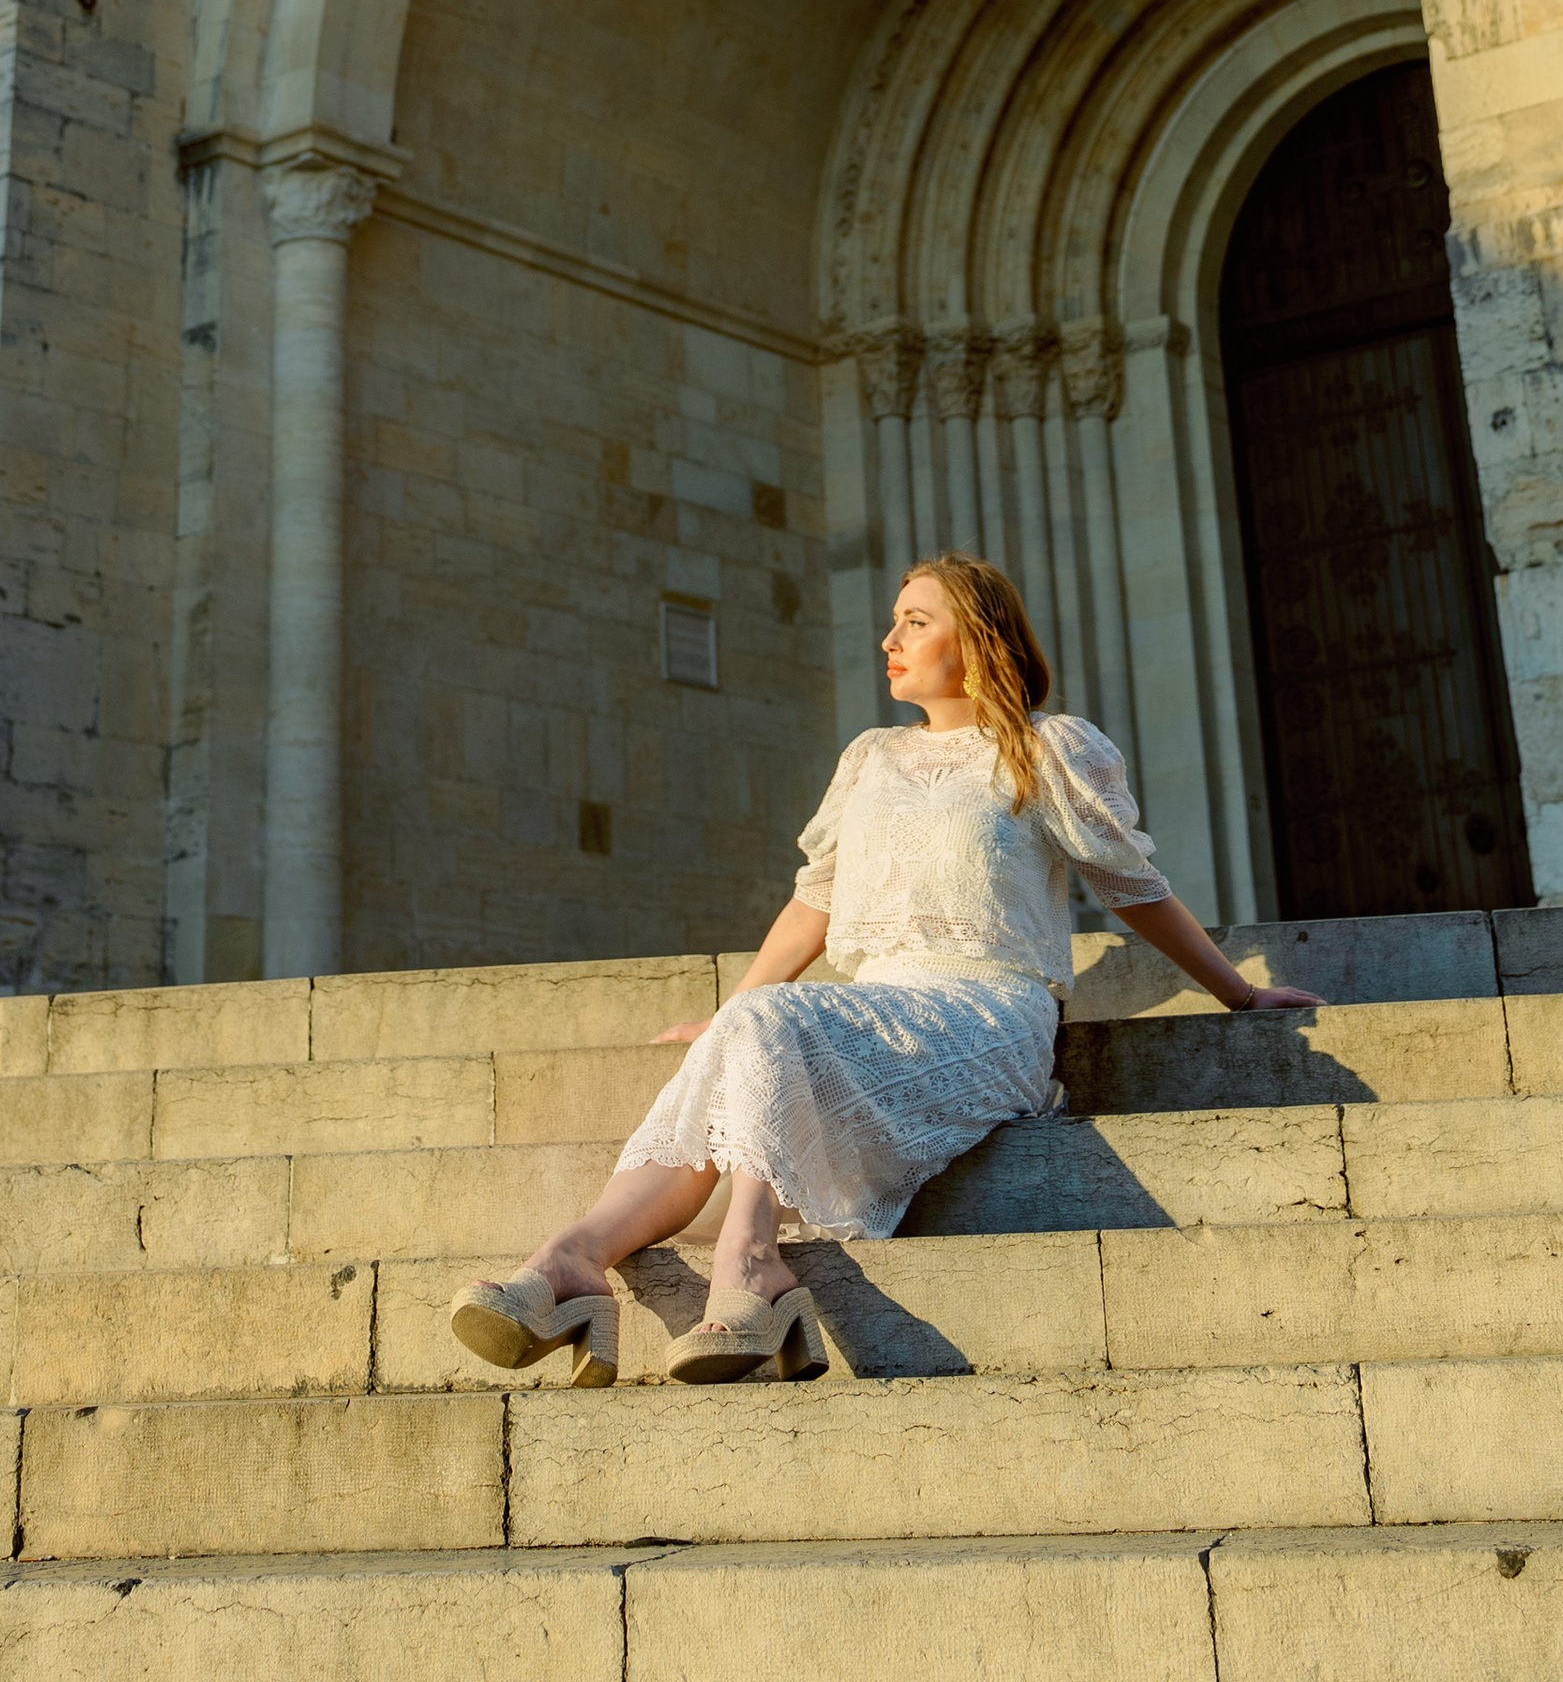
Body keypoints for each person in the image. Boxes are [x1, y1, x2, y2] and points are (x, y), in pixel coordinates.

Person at [448, 549, 1321, 1387]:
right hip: (874, 1007)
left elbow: (1133, 888)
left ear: (979, 639)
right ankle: (574, 1259)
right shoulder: (869, 757)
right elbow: (816, 903)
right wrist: (731, 1013)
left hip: (987, 1015)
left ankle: (749, 1263)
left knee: (767, 1028)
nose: (889, 641)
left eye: (914, 621)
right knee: (749, 1036)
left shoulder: (1046, 749)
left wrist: (1238, 991)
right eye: (891, 623)